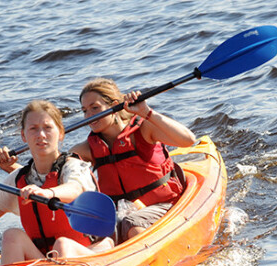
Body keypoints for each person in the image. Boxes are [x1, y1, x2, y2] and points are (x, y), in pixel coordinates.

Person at [0, 99, 113, 264]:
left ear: (61, 133)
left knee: (62, 245)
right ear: (23, 135)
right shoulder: (18, 178)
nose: (41, 135)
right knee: (12, 236)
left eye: (48, 128)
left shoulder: (74, 167)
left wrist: (47, 193)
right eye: (33, 129)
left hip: (87, 253)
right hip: (46, 261)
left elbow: (75, 189)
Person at [70, 78, 197, 242]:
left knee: (131, 224)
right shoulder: (87, 149)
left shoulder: (144, 130)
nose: (89, 116)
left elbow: (188, 140)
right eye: (85, 111)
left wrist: (147, 112)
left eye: (95, 108)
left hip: (163, 205)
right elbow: (57, 166)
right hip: (123, 214)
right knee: (94, 233)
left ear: (113, 106)